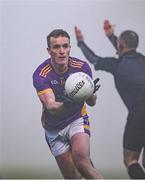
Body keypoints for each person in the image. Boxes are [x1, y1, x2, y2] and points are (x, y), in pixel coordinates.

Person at [74, 20, 145, 179]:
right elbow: (125, 49)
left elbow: (93, 59)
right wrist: (111, 36)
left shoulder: (117, 64)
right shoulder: (143, 60)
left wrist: (80, 43)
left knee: (131, 160)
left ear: (120, 45)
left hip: (140, 114)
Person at [32, 29, 103, 179]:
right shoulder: (41, 74)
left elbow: (92, 102)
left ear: (70, 48)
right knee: (73, 178)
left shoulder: (81, 68)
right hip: (53, 129)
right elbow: (51, 107)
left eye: (65, 46)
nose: (62, 51)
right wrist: (69, 101)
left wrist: (90, 92)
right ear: (49, 51)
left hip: (76, 119)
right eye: (56, 47)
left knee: (82, 164)